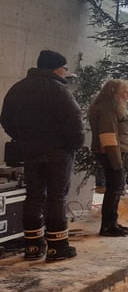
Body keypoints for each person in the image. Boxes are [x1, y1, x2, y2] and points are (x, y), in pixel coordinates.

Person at [0, 50, 84, 262]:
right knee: (56, 197)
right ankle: (57, 246)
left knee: (34, 197)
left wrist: (24, 138)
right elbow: (75, 124)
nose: (65, 73)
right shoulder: (59, 91)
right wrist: (74, 145)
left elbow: (6, 119)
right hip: (58, 154)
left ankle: (33, 246)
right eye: (65, 69)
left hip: (30, 152)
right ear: (56, 68)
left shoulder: (18, 88)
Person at [88, 79, 128, 237]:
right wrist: (116, 162)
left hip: (113, 151)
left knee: (115, 189)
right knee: (114, 189)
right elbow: (108, 136)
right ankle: (108, 225)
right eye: (125, 91)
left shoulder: (111, 106)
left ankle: (112, 222)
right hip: (111, 152)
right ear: (114, 92)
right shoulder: (108, 108)